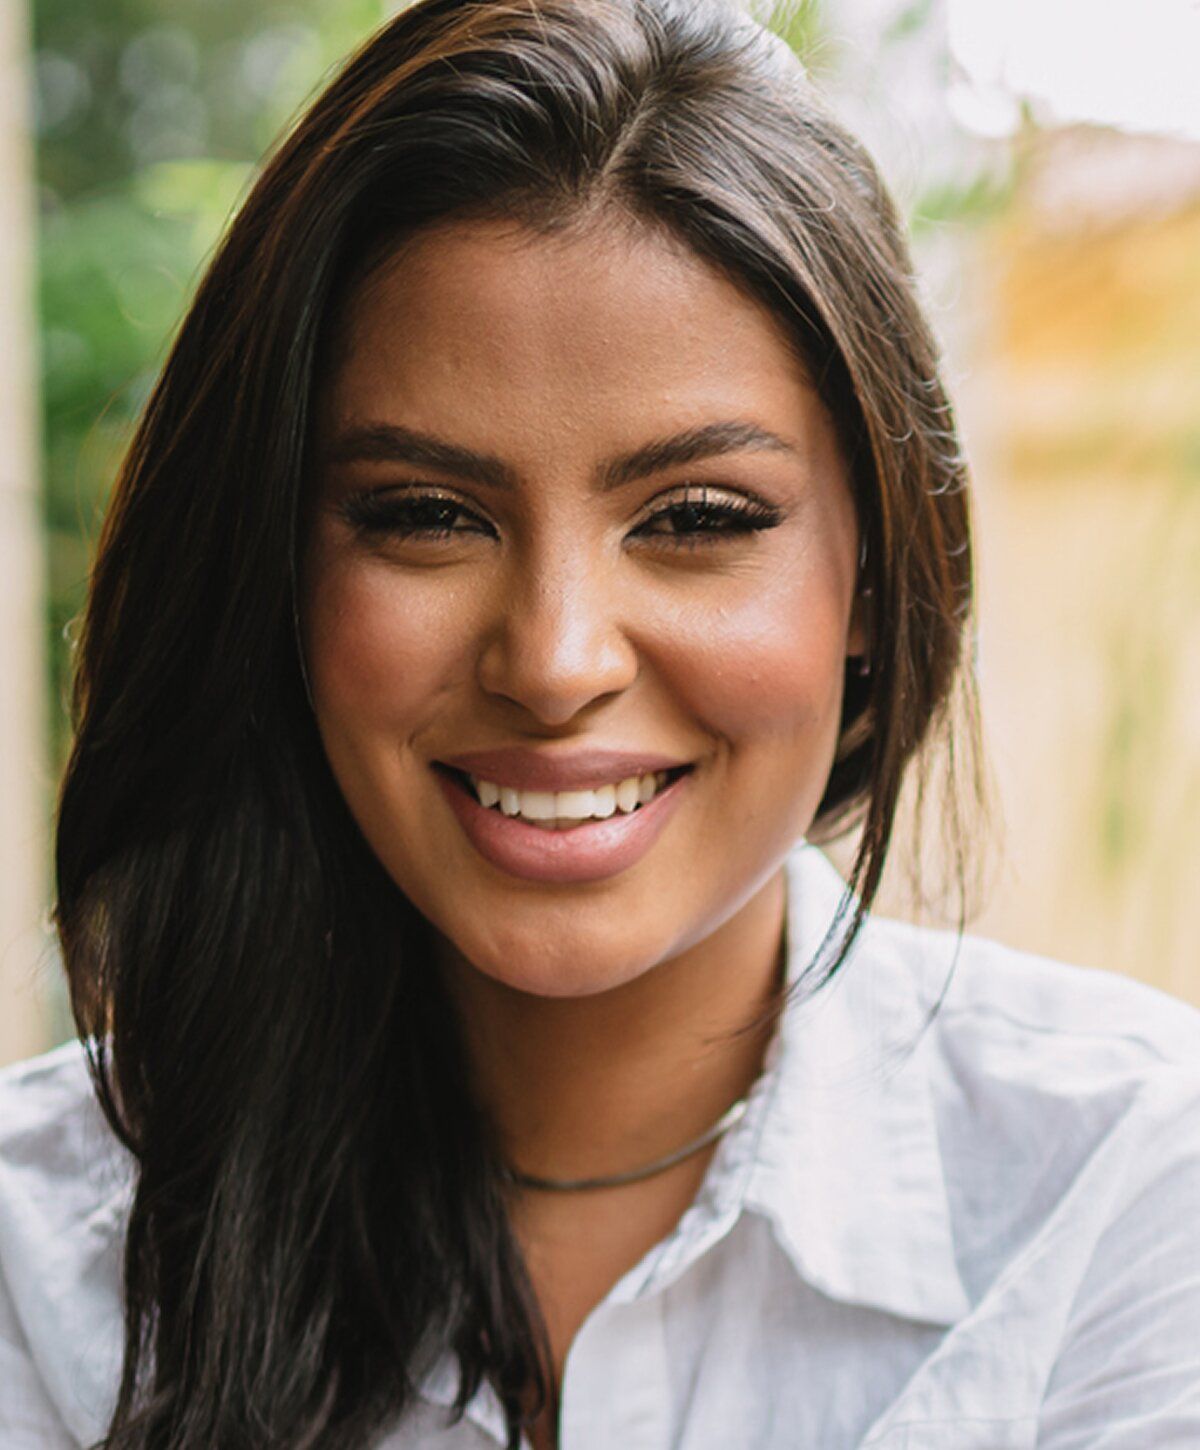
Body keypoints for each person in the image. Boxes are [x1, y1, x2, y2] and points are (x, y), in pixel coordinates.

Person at [2, 0, 1198, 1446]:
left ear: (877, 578)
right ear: (278, 572)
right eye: (426, 515)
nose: (556, 660)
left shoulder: (1130, 1192)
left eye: (697, 518)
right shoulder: (38, 1261)